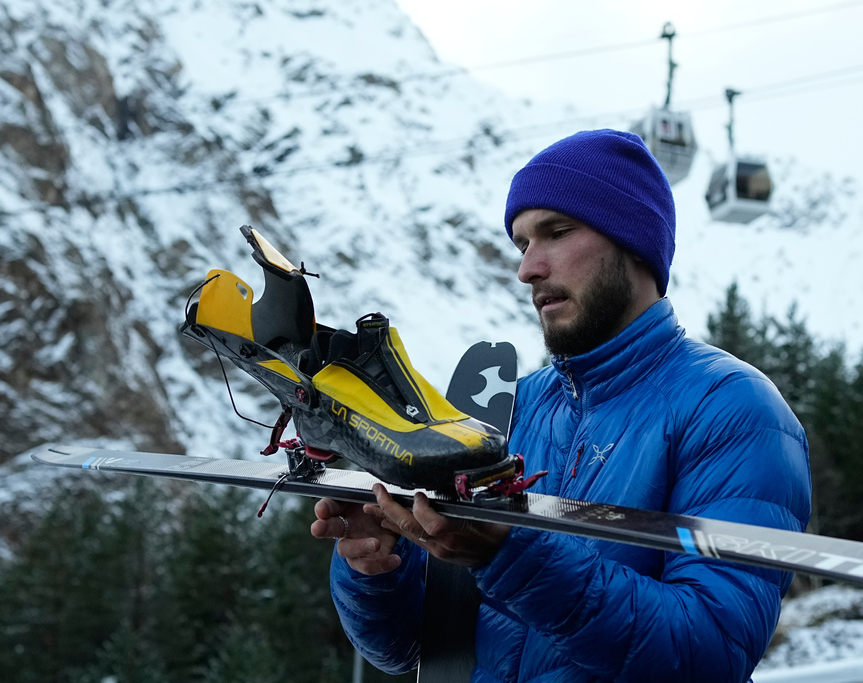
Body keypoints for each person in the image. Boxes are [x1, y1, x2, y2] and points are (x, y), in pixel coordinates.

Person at [309, 129, 812, 682]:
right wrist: (378, 567)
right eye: (522, 244)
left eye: (556, 232)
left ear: (632, 240)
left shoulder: (733, 410)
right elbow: (412, 649)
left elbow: (709, 652)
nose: (528, 268)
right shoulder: (507, 410)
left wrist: (512, 555)